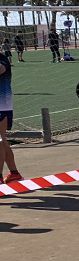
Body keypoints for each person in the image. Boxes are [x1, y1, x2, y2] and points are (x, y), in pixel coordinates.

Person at [0, 46, 22, 184]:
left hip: (2, 105)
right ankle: (14, 173)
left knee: (0, 140)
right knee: (2, 140)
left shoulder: (2, 60)